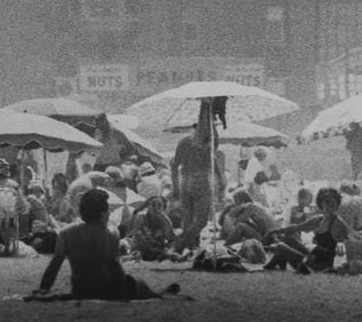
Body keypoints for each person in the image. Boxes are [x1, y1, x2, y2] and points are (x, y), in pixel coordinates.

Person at [35, 188, 169, 300]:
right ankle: (157, 294)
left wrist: (43, 289)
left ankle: (157, 293)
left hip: (80, 290)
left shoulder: (65, 234)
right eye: (108, 210)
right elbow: (114, 267)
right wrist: (121, 293)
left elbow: (54, 265)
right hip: (106, 290)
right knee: (138, 283)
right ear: (103, 214)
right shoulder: (111, 233)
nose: (110, 213)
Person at [263, 186, 350, 273]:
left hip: (318, 267)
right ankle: (277, 264)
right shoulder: (319, 220)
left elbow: (350, 245)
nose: (328, 207)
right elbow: (296, 227)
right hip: (312, 258)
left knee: (280, 247)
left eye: (332, 205)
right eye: (326, 203)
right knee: (288, 239)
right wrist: (277, 231)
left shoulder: (338, 224)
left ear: (336, 205)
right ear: (321, 203)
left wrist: (342, 267)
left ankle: (274, 264)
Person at [170, 122, 222, 253]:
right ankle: (182, 245)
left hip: (188, 181)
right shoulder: (204, 142)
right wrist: (220, 178)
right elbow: (213, 159)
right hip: (198, 182)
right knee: (199, 220)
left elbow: (175, 165)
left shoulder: (186, 141)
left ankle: (188, 245)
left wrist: (176, 185)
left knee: (190, 219)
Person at [129, 195, 178, 261]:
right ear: (147, 206)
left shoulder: (164, 219)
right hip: (142, 248)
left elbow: (172, 239)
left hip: (159, 249)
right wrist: (152, 249)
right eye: (153, 205)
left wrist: (169, 250)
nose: (156, 208)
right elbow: (138, 236)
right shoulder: (141, 217)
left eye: (159, 205)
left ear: (163, 207)